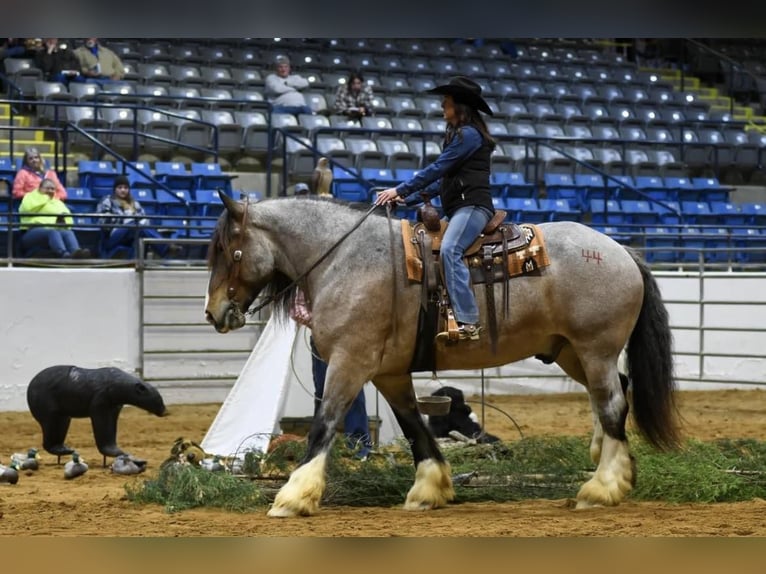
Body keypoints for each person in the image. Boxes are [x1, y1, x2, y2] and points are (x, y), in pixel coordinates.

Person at [375, 76, 496, 342]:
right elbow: (444, 180)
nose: (442, 106)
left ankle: (469, 321)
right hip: (459, 207)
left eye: (447, 101)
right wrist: (411, 199)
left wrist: (399, 190)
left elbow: (437, 168)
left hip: (473, 207)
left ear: (459, 106)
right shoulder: (460, 136)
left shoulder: (469, 135)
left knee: (451, 249)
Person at [290, 289, 372, 460]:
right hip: (322, 340)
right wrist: (322, 323)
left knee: (353, 389)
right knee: (322, 392)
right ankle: (319, 448)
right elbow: (297, 308)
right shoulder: (309, 276)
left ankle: (358, 447)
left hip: (348, 339)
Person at [96, 175, 181, 259]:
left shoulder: (135, 203)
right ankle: (165, 248)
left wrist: (136, 221)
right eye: (120, 187)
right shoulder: (108, 201)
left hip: (133, 233)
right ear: (115, 189)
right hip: (114, 236)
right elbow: (102, 221)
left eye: (126, 188)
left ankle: (136, 262)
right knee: (134, 225)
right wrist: (124, 219)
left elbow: (143, 218)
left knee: (140, 228)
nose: (123, 190)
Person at [18, 177, 90, 258]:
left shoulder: (57, 202)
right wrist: (45, 197)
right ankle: (64, 254)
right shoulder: (30, 197)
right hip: (31, 231)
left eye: (52, 189)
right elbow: (27, 208)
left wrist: (63, 220)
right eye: (47, 188)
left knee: (68, 232)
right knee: (52, 232)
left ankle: (76, 253)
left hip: (54, 230)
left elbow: (69, 218)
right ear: (40, 188)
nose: (50, 191)